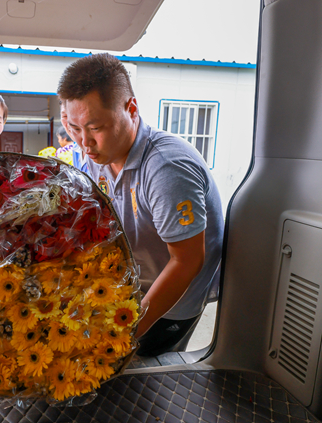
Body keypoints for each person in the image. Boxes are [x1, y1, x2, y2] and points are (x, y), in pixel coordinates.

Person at [58, 53, 224, 357]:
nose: (84, 142)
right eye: (74, 128)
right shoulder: (98, 156)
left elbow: (187, 261)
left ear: (131, 109)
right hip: (129, 287)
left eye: (95, 127)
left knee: (142, 374)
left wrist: (128, 328)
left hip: (169, 303)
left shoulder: (166, 168)